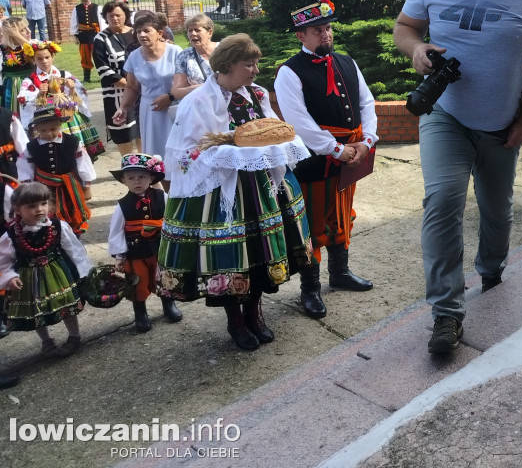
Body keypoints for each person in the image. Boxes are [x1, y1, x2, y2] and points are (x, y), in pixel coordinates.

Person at [393, 0, 522, 355]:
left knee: (497, 211)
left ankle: (493, 267)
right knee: (442, 198)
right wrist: (417, 50)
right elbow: (404, 28)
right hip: (448, 116)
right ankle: (446, 313)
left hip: (503, 123)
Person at [158, 34, 313, 351]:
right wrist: (227, 153)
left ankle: (254, 312)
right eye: (249, 64)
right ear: (227, 66)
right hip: (220, 193)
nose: (256, 70)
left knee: (259, 253)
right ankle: (236, 321)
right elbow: (184, 154)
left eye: (256, 63)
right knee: (230, 256)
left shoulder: (256, 94)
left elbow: (270, 130)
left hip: (260, 187)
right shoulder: (197, 101)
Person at [275, 0, 378, 320]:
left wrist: (367, 140)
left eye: (328, 28)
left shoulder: (347, 61)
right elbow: (299, 123)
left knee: (343, 215)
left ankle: (340, 273)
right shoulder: (289, 72)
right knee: (313, 225)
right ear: (301, 36)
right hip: (314, 162)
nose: (326, 35)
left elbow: (368, 103)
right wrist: (335, 149)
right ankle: (310, 289)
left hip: (351, 156)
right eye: (318, 30)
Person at [0, 182, 92, 358]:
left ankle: (74, 336)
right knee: (36, 310)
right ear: (18, 210)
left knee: (67, 305)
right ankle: (46, 341)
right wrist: (10, 277)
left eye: (43, 203)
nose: (40, 209)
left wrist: (84, 271)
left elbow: (74, 249)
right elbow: (3, 262)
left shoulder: (57, 226)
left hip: (58, 274)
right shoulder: (11, 235)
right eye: (32, 206)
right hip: (28, 279)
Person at [108, 153, 182, 332]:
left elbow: (172, 219)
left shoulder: (162, 196)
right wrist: (119, 255)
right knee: (137, 281)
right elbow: (116, 231)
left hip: (160, 247)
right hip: (135, 252)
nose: (137, 181)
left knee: (164, 278)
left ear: (151, 177)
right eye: (131, 178)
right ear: (124, 181)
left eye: (142, 177)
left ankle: (168, 303)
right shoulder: (122, 205)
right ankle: (140, 312)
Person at [18, 40, 105, 161]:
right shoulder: (30, 81)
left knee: (78, 153)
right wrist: (40, 94)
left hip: (69, 117)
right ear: (33, 60)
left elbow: (81, 94)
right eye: (39, 59)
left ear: (52, 56)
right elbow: (24, 100)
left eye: (47, 57)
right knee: (53, 156)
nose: (44, 61)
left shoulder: (64, 74)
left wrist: (72, 88)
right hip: (46, 122)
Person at [16, 104, 96, 237]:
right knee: (46, 212)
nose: (48, 133)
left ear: (60, 125)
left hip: (69, 188)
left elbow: (83, 163)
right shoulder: (31, 147)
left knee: (72, 212)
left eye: (53, 129)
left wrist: (86, 186)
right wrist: (27, 188)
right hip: (43, 189)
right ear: (36, 129)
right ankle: (51, 237)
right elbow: (25, 167)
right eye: (43, 130)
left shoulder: (73, 142)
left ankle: (74, 237)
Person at [112, 10, 182, 159]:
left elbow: (185, 83)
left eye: (147, 31)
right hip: (150, 111)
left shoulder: (175, 52)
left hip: (174, 107)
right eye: (138, 32)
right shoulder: (134, 56)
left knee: (177, 154)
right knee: (155, 156)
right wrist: (123, 108)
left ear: (159, 33)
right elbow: (131, 87)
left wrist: (170, 97)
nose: (142, 35)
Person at [93, 0, 141, 156]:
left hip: (142, 91)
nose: (115, 19)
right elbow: (103, 68)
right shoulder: (101, 39)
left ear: (125, 15)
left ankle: (147, 166)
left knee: (142, 130)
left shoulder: (136, 33)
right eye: (110, 16)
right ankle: (129, 165)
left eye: (118, 15)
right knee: (123, 131)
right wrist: (129, 86)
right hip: (116, 93)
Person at [171, 13, 218, 102]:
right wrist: (205, 87)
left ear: (210, 32)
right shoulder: (184, 56)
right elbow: (176, 92)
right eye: (190, 30)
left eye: (197, 30)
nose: (193, 34)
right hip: (200, 107)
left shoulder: (225, 50)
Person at [1, 17, 34, 117]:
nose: (29, 31)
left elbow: (36, 53)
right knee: (15, 111)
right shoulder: (3, 49)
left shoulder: (31, 45)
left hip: (32, 83)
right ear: (11, 33)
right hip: (12, 86)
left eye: (27, 27)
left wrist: (20, 37)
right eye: (23, 30)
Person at [70, 0, 104, 83]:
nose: (85, 1)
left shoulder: (97, 8)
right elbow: (74, 22)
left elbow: (101, 22)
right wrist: (75, 35)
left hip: (95, 34)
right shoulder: (76, 9)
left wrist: (102, 34)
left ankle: (103, 75)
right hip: (83, 36)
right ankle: (86, 78)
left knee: (98, 55)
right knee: (85, 57)